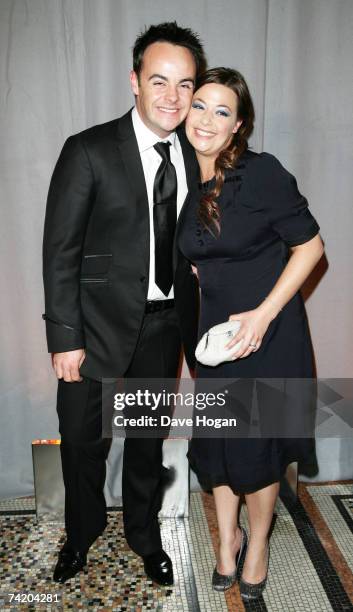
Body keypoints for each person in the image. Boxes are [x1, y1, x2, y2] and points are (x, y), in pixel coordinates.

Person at [42, 22, 206, 585]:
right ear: (133, 81)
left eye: (185, 85)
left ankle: (145, 536)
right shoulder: (88, 150)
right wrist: (64, 338)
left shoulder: (197, 153)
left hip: (163, 331)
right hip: (91, 335)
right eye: (159, 81)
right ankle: (80, 536)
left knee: (146, 447)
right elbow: (60, 251)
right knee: (83, 447)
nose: (172, 97)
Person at [178, 67, 324, 600]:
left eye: (223, 112)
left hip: (267, 334)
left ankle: (257, 543)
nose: (207, 120)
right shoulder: (185, 178)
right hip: (214, 339)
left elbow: (311, 248)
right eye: (200, 106)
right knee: (218, 444)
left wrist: (261, 315)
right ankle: (227, 540)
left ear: (239, 126)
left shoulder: (262, 174)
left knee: (257, 449)